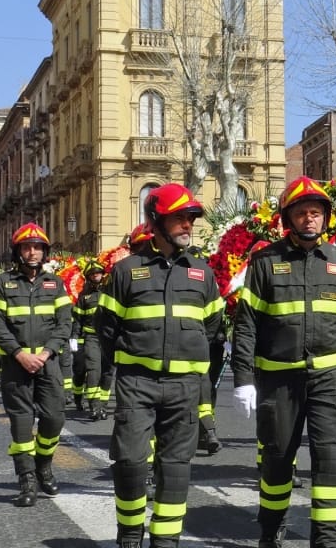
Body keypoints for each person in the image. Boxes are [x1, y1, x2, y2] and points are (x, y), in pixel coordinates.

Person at [231, 176, 336, 548]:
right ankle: (270, 529)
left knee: (331, 463)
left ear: (326, 217)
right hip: (279, 382)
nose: (310, 219)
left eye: (316, 213)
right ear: (287, 218)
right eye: (302, 213)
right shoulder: (264, 262)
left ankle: (326, 540)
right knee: (276, 462)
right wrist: (243, 379)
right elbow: (246, 327)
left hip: (330, 380)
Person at [97, 184, 224, 548]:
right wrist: (130, 362)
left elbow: (213, 329)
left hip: (184, 385)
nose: (188, 225)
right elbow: (106, 330)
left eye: (190, 218)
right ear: (156, 221)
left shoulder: (203, 273)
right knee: (131, 461)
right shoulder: (125, 271)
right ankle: (131, 532)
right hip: (137, 382)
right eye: (179, 218)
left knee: (175, 467)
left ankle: (165, 541)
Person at [0, 222, 73, 508]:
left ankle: (43, 465)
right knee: (22, 428)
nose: (32, 251)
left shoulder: (56, 283)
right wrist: (19, 354)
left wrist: (46, 353)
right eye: (27, 246)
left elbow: (64, 324)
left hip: (48, 364)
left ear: (44, 251)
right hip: (16, 366)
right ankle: (27, 482)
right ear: (18, 251)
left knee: (54, 419)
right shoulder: (2, 283)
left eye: (37, 247)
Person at [72, 258, 107, 419]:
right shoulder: (83, 296)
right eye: (92, 274)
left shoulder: (110, 291)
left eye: (98, 273)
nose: (96, 276)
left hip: (108, 338)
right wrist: (74, 337)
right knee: (94, 371)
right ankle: (94, 406)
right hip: (91, 337)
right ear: (88, 277)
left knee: (107, 373)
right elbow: (77, 319)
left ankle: (103, 406)